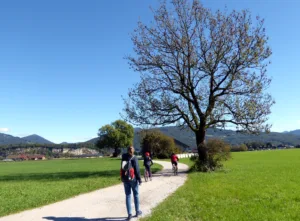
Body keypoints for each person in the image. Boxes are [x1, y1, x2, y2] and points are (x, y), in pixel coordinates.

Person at [121, 146, 142, 220]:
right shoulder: (134, 158)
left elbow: (122, 168)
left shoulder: (123, 157)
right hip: (133, 179)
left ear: (127, 150)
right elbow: (137, 169)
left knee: (128, 196)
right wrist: (139, 179)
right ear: (133, 151)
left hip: (125, 179)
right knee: (136, 195)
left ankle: (129, 214)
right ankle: (137, 212)